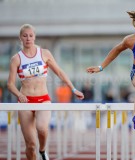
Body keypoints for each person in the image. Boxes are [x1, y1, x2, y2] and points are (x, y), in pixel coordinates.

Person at [7, 24, 84, 160]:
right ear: (20, 38)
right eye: (25, 36)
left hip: (43, 99)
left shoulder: (44, 53)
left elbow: (59, 72)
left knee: (42, 128)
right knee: (30, 145)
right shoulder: (16, 59)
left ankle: (42, 150)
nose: (28, 38)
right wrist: (19, 95)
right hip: (25, 102)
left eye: (31, 35)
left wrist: (73, 89)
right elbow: (10, 84)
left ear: (35, 37)